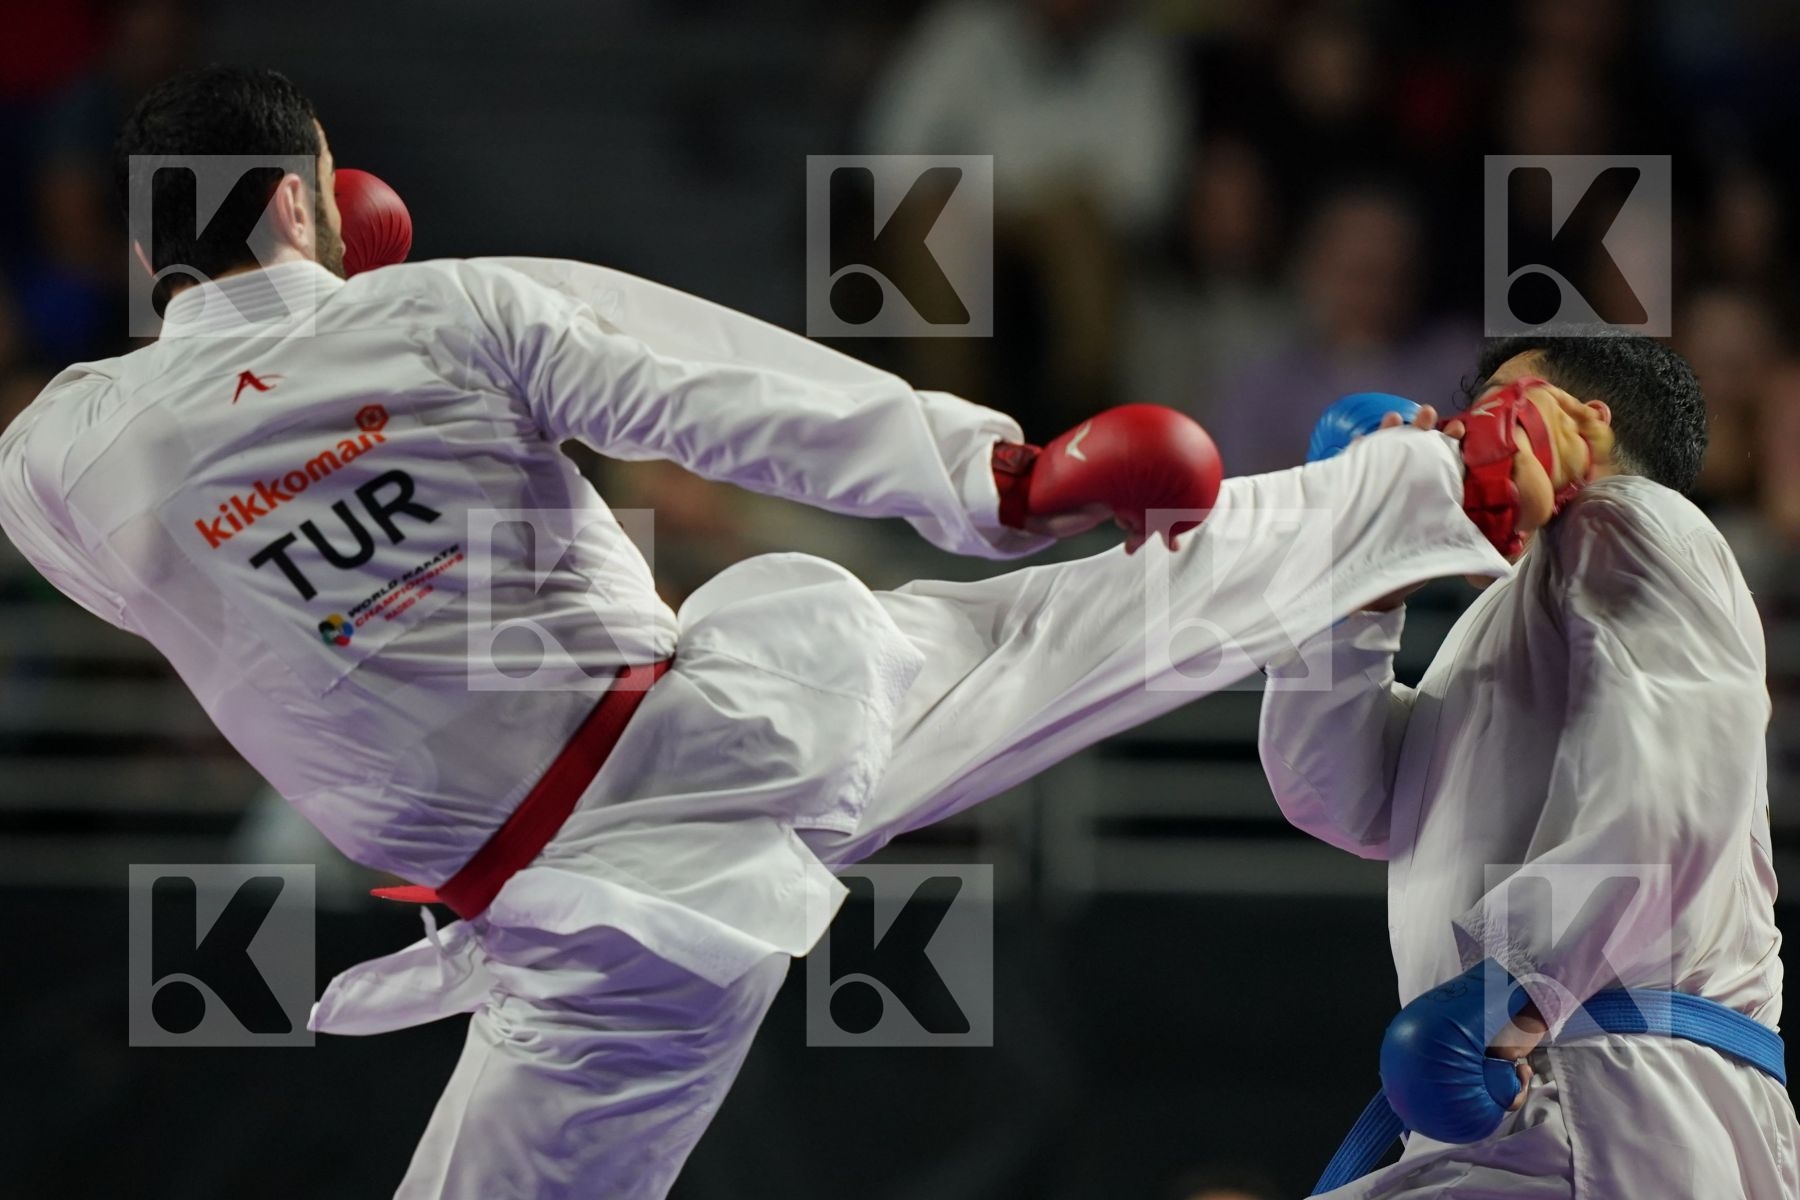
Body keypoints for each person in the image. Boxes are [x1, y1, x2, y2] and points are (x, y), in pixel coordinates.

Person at [0, 67, 1516, 1200]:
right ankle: (1437, 478)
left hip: (612, 922)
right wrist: (992, 476)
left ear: (146, 257)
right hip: (719, 757)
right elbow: (704, 389)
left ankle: (1414, 492)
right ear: (298, 203)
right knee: (1075, 624)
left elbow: (180, 580)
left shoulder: (61, 458)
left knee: (1055, 637)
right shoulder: (450, 309)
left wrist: (314, 414)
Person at [1260, 334, 1799, 1197]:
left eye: (1487, 415)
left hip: (1614, 1085)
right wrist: (1352, 579)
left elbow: (1669, 794)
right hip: (1518, 1085)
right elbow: (1335, 797)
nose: (1452, 443)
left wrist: (1512, 982)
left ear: (1584, 424)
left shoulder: (1642, 517)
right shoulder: (1501, 628)